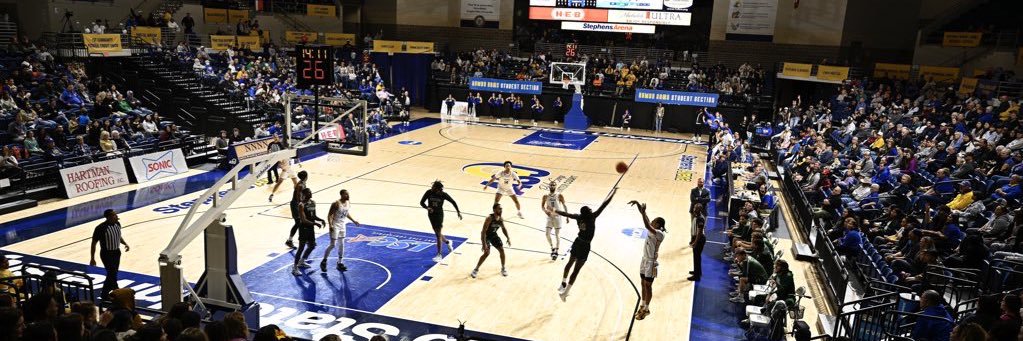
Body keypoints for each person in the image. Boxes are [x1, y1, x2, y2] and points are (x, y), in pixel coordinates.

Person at [557, 187, 618, 299]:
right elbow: (604, 205)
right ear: (588, 212)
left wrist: (554, 210)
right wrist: (614, 193)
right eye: (590, 210)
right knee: (576, 270)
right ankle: (565, 293)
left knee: (570, 263)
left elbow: (565, 214)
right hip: (585, 245)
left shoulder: (578, 217)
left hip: (577, 242)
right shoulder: (592, 217)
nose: (591, 210)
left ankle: (563, 283)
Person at [628, 201, 666, 320]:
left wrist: (643, 213)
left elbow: (646, 224)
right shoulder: (653, 229)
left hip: (651, 263)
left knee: (648, 286)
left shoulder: (660, 233)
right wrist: (638, 205)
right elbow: (646, 218)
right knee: (642, 283)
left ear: (658, 224)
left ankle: (647, 309)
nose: (652, 222)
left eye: (654, 222)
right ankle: (642, 305)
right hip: (644, 260)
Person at [90, 209, 129, 299]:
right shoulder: (100, 228)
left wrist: (125, 243)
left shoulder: (118, 224)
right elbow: (94, 243)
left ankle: (111, 291)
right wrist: (92, 258)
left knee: (113, 273)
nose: (117, 216)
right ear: (109, 217)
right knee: (111, 273)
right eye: (115, 215)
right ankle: (111, 292)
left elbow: (118, 236)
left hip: (117, 252)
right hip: (106, 254)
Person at [420, 181, 463, 262]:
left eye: (433, 187)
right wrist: (427, 208)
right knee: (437, 233)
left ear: (438, 189)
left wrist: (458, 212)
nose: (432, 188)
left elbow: (453, 202)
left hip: (439, 215)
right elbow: (421, 202)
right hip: (431, 214)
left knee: (438, 234)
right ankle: (447, 242)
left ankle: (439, 254)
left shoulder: (443, 194)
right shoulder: (429, 192)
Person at [321, 189, 361, 272]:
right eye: (346, 194)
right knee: (333, 245)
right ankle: (324, 261)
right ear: (341, 195)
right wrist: (330, 225)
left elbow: (346, 213)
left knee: (342, 244)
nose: (348, 196)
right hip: (335, 225)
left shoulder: (347, 203)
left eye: (348, 194)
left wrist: (353, 221)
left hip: (342, 225)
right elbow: (329, 215)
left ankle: (340, 263)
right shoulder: (336, 203)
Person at [470, 203, 512, 278]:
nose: (501, 210)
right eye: (499, 208)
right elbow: (483, 232)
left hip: (493, 235)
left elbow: (503, 228)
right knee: (486, 253)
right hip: (486, 236)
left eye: (501, 208)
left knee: (501, 250)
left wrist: (508, 237)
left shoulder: (500, 218)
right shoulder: (489, 218)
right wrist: (484, 244)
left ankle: (503, 268)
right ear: (494, 210)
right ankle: (476, 269)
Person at [292, 188, 325, 276]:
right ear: (304, 194)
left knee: (312, 245)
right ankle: (295, 267)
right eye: (308, 193)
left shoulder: (312, 202)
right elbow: (303, 219)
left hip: (310, 228)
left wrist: (321, 220)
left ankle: (302, 261)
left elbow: (313, 215)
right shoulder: (301, 205)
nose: (310, 194)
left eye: (310, 192)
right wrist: (315, 223)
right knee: (301, 248)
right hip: (304, 228)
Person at [273, 169, 308, 249]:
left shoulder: (303, 183)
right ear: (306, 177)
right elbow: (298, 197)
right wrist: (302, 205)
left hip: (298, 204)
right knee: (298, 223)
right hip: (295, 205)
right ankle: (292, 240)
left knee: (299, 223)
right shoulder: (300, 185)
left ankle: (293, 240)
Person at [542, 180, 569, 260]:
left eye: (554, 185)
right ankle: (552, 248)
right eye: (551, 185)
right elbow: (542, 206)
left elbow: (564, 205)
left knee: (557, 235)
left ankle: (556, 251)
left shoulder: (559, 195)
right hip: (549, 217)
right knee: (547, 234)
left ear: (556, 186)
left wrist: (567, 216)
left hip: (558, 217)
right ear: (549, 186)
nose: (552, 186)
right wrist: (545, 211)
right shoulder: (545, 196)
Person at [689, 207, 707, 281]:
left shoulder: (700, 218)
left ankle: (697, 276)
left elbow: (699, 232)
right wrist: (692, 239)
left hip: (699, 239)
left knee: (697, 257)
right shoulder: (696, 216)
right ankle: (697, 272)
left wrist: (695, 242)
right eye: (694, 208)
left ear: (699, 210)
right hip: (696, 238)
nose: (694, 209)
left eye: (696, 208)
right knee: (696, 257)